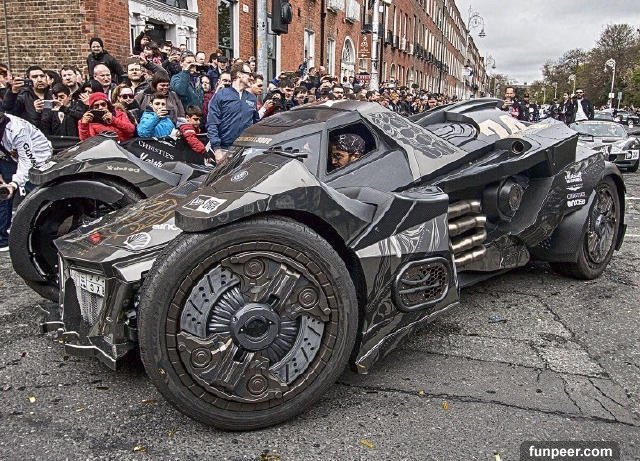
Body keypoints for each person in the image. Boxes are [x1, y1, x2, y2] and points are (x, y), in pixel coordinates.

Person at [0, 111, 52, 250]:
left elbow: (27, 161)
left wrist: (14, 183)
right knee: (3, 190)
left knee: (35, 194)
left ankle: (43, 235)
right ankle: (2, 236)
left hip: (38, 156)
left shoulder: (17, 129)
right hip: (9, 155)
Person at [206, 62, 259, 164]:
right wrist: (217, 150)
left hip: (245, 150)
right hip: (224, 150)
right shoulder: (221, 95)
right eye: (249, 74)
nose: (252, 78)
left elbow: (256, 123)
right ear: (239, 74)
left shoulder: (252, 98)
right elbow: (212, 123)